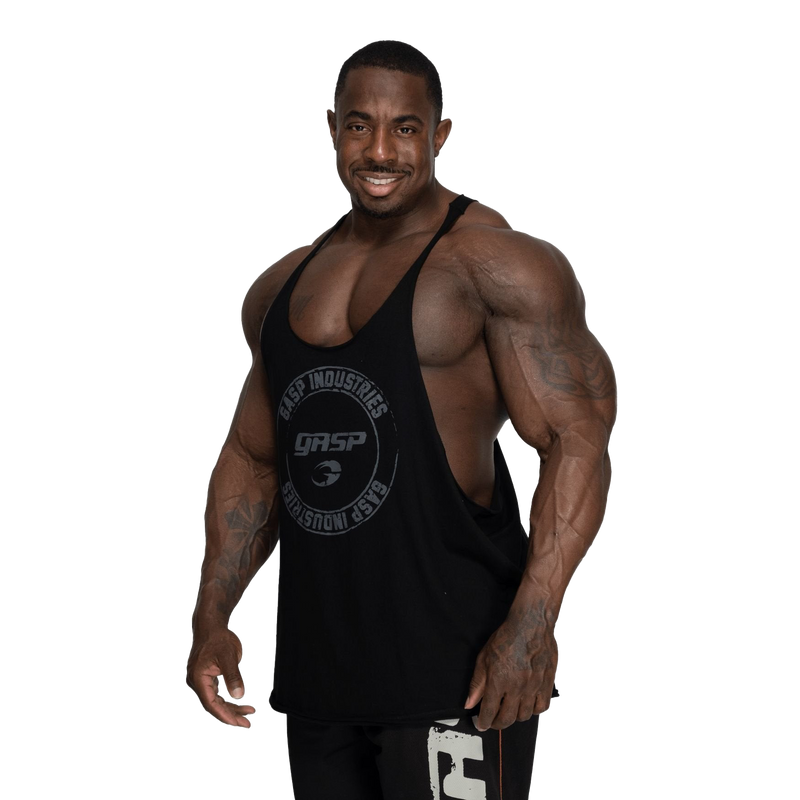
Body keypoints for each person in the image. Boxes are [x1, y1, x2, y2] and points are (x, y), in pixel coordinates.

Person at [186, 38, 617, 799]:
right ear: (331, 128)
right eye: (360, 126)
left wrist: (532, 623)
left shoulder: (496, 264)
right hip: (320, 679)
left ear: (440, 134)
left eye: (405, 128)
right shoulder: (281, 286)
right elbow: (254, 457)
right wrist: (212, 612)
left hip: (457, 668)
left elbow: (575, 438)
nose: (380, 151)